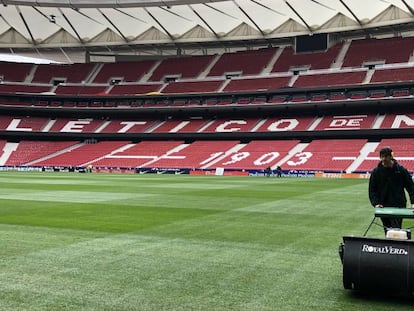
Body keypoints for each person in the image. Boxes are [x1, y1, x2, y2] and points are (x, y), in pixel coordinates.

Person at [368, 146, 414, 233]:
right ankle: (390, 246)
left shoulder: (401, 170)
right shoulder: (376, 172)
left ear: (391, 157)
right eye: (382, 157)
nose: (383, 159)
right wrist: (376, 203)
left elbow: (411, 187)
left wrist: (413, 202)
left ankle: (395, 245)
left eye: (386, 157)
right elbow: (372, 190)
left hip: (399, 205)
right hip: (383, 206)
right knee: (387, 231)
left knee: (396, 230)